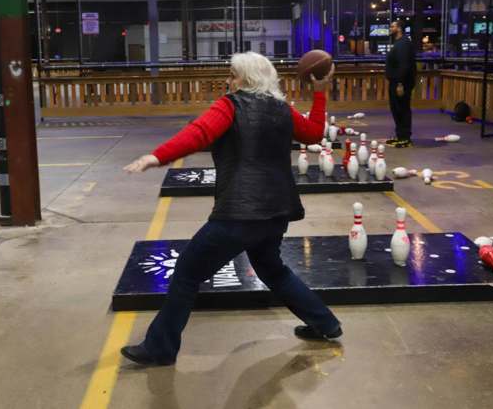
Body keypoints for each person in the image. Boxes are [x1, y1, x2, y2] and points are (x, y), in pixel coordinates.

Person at [121, 52, 342, 366]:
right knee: (272, 269)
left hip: (239, 214)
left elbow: (200, 133)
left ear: (246, 80)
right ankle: (326, 323)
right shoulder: (282, 110)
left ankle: (160, 348)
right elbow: (314, 133)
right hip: (277, 212)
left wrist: (157, 156)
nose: (229, 81)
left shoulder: (230, 105)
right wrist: (320, 93)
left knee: (187, 272)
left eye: (233, 75)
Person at [385, 20, 416, 148]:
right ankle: (400, 136)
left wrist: (400, 84)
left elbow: (404, 66)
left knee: (402, 109)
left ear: (399, 29)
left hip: (401, 83)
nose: (390, 28)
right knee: (396, 109)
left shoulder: (403, 44)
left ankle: (405, 138)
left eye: (392, 26)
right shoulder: (398, 43)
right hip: (395, 81)